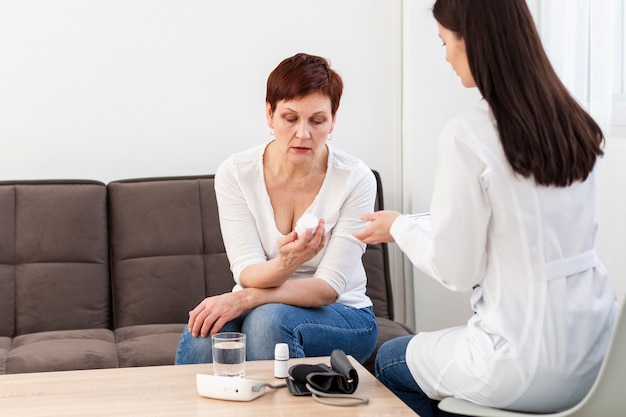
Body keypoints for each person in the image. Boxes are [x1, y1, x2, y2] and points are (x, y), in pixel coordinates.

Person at [354, 0, 619, 416]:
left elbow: (456, 269)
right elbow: (520, 228)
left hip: (522, 363)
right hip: (600, 357)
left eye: (445, 42)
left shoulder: (470, 134)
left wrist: (401, 228)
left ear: (473, 42)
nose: (445, 55)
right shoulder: (574, 123)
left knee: (390, 360)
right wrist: (410, 225)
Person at [175, 53, 378, 365]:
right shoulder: (236, 173)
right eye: (290, 118)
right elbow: (247, 271)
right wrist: (286, 264)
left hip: (344, 315)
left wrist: (249, 297)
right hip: (260, 306)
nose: (303, 134)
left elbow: (328, 288)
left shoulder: (355, 179)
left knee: (267, 321)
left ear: (333, 120)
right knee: (205, 332)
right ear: (269, 115)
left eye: (317, 120)